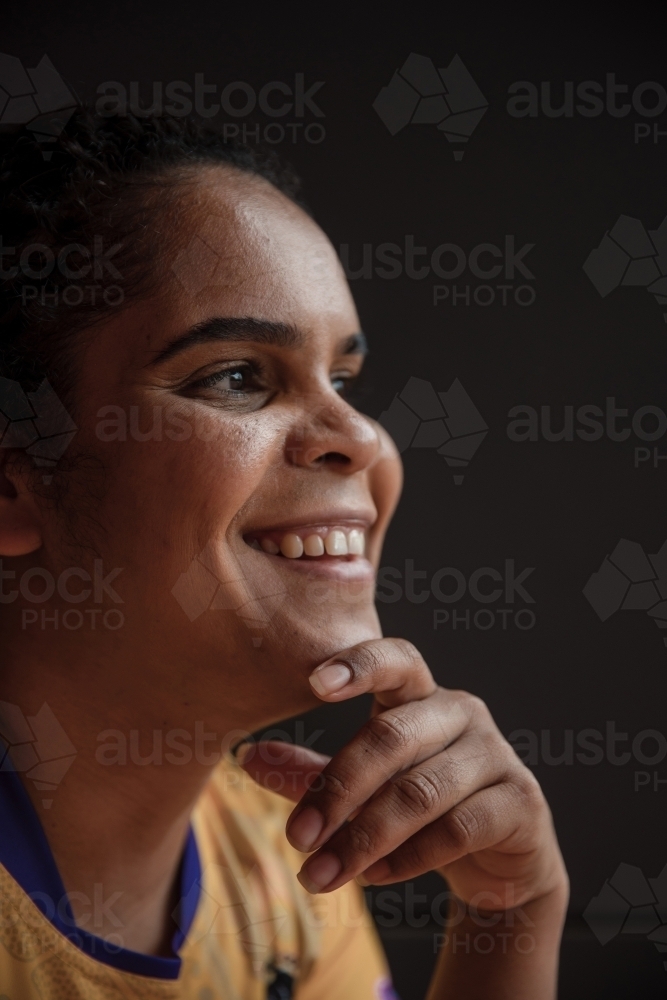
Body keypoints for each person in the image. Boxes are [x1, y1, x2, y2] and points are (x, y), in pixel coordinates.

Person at [0, 110, 568, 999]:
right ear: (11, 487)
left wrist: (511, 911)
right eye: (236, 376)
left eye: (342, 380)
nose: (360, 438)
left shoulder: (284, 864)